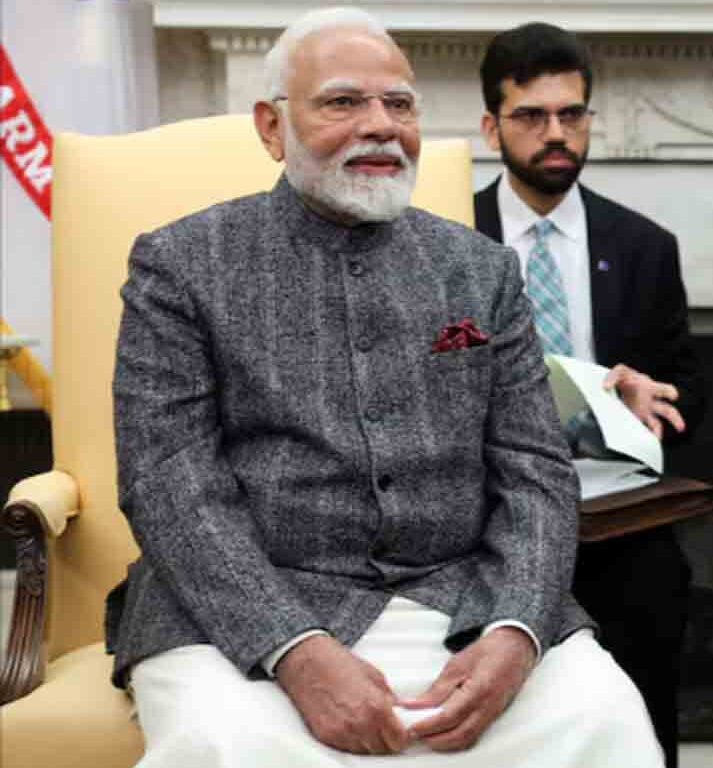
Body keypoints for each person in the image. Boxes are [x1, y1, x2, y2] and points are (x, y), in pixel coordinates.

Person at [107, 7, 662, 767]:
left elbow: (536, 472)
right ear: (272, 128)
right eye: (343, 102)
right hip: (241, 608)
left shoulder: (481, 271)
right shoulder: (181, 265)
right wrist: (292, 648)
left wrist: (517, 632)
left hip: (459, 598)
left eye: (399, 105)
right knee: (225, 742)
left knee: (607, 717)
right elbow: (169, 484)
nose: (381, 126)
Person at [471, 22, 701, 768]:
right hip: (481, 512)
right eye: (532, 117)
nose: (556, 134)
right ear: (490, 126)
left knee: (656, 584)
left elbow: (687, 400)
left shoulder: (644, 246)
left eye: (572, 115)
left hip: (610, 511)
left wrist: (649, 405)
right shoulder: (449, 238)